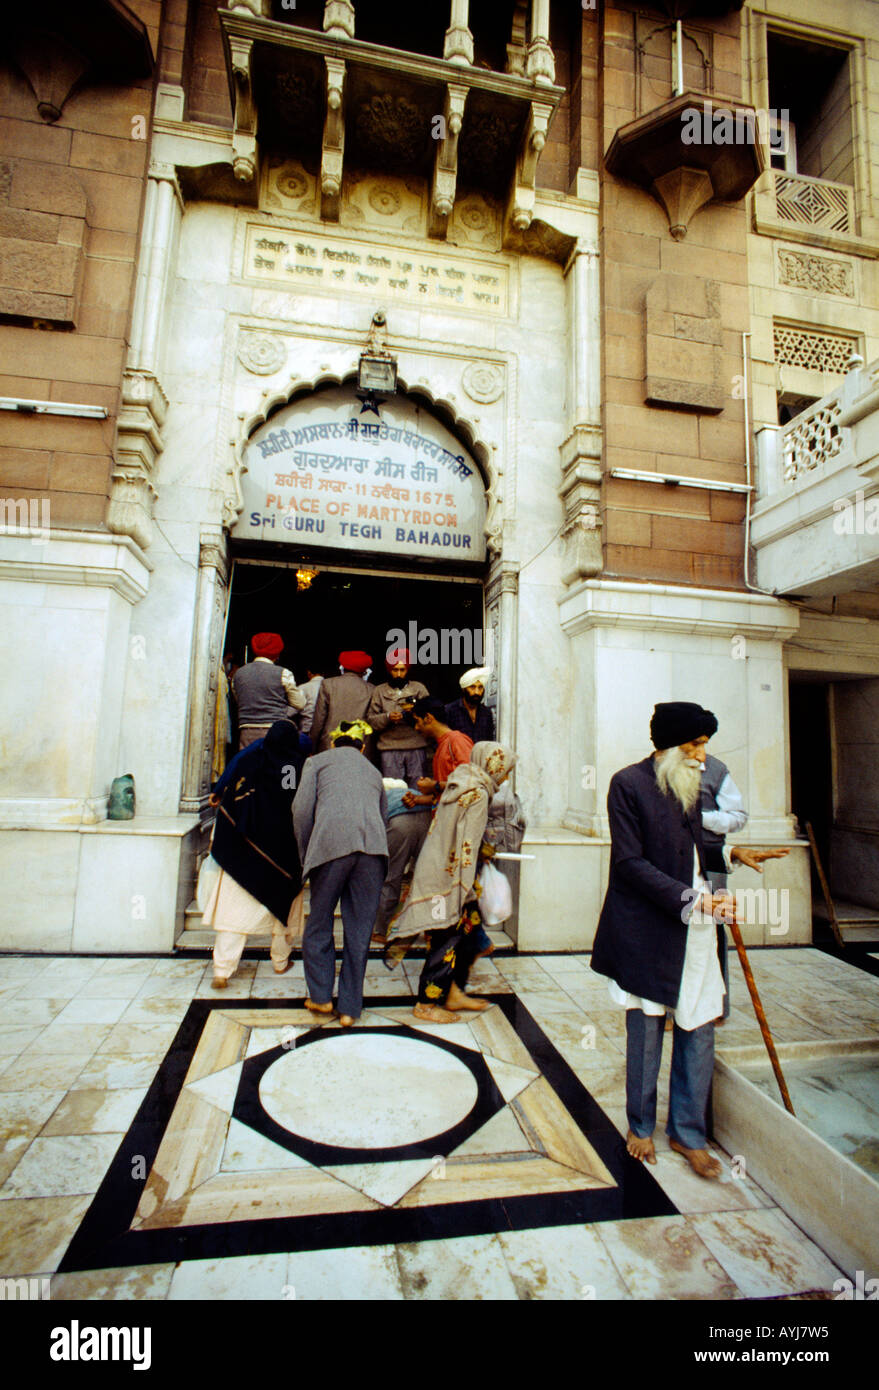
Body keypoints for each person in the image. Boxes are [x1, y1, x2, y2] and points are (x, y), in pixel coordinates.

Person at [590, 701, 788, 1179]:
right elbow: (630, 864)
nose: (704, 755)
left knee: (698, 1026)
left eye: (704, 745)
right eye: (696, 745)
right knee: (646, 1027)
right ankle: (640, 1127)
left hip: (697, 927)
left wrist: (735, 853)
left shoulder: (692, 784)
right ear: (669, 747)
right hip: (647, 926)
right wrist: (692, 899)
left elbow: (699, 843)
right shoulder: (627, 784)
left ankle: (687, 1132)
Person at [386, 742, 517, 1024]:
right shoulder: (479, 793)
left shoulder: (461, 781)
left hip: (435, 867)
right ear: (493, 767)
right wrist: (463, 884)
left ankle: (455, 991)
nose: (505, 778)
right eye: (505, 771)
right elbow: (467, 844)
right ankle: (426, 1003)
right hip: (450, 877)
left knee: (468, 931)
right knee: (445, 940)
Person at [293, 719, 388, 1025]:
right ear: (361, 747)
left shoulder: (316, 762)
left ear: (333, 743)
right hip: (373, 851)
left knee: (319, 922)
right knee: (359, 931)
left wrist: (307, 853)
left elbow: (300, 811)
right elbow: (383, 816)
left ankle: (321, 998)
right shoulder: (374, 772)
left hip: (331, 848)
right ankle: (349, 1008)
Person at [205, 720, 309, 987]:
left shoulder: (250, 758)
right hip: (281, 846)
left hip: (241, 846)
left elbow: (232, 786)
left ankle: (222, 970)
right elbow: (290, 797)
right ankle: (279, 961)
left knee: (234, 911)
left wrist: (218, 794)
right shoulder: (290, 765)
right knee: (283, 903)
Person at [702, 753, 748, 1024]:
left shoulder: (716, 770)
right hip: (672, 863)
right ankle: (671, 1009)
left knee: (713, 931)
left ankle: (716, 1007)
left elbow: (738, 817)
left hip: (712, 859)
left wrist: (701, 819)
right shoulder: (655, 771)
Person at [370, 778, 432, 946]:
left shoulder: (382, 797)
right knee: (428, 878)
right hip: (427, 819)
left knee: (391, 877)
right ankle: (432, 931)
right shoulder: (412, 793)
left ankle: (382, 931)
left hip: (399, 824)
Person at [366, 647, 430, 784]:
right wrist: (387, 717)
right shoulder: (379, 691)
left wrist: (413, 714)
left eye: (402, 670)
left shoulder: (418, 689)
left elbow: (431, 717)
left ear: (408, 670)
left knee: (419, 787)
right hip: (389, 747)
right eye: (395, 670)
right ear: (389, 671)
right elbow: (371, 720)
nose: (399, 674)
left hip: (416, 745)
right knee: (393, 789)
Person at [233, 633, 306, 750]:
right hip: (275, 731)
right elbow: (300, 703)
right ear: (277, 653)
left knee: (250, 766)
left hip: (246, 731)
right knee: (275, 766)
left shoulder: (238, 674)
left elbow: (239, 700)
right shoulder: (283, 673)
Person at [402, 696, 473, 808]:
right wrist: (417, 799)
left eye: (417, 721)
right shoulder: (442, 744)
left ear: (428, 718)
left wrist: (434, 786)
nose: (416, 728)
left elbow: (471, 783)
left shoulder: (457, 740)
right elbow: (447, 795)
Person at [310, 650, 374, 753]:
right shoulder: (371, 689)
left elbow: (318, 720)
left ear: (342, 667)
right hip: (359, 745)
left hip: (330, 744)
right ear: (364, 671)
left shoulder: (327, 684)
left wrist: (312, 746)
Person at [445, 666, 496, 744]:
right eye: (472, 687)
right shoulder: (450, 710)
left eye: (480, 687)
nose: (477, 692)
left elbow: (489, 741)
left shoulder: (486, 713)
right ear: (464, 689)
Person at [297, 662, 324, 740]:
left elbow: (293, 710)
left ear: (309, 673)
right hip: (326, 730)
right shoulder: (332, 687)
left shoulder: (303, 688)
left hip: (307, 729)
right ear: (323, 674)